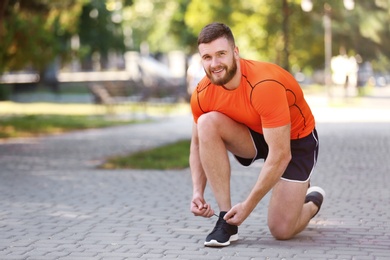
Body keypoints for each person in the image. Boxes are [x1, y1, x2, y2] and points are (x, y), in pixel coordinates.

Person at [189, 22, 325, 247]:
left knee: (281, 230)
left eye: (221, 54)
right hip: (253, 134)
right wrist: (197, 192)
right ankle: (226, 221)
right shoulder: (202, 92)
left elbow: (281, 154)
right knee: (205, 123)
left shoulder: (264, 85)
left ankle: (311, 200)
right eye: (207, 57)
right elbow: (196, 145)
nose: (214, 64)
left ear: (235, 53)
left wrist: (248, 206)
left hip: (294, 140)